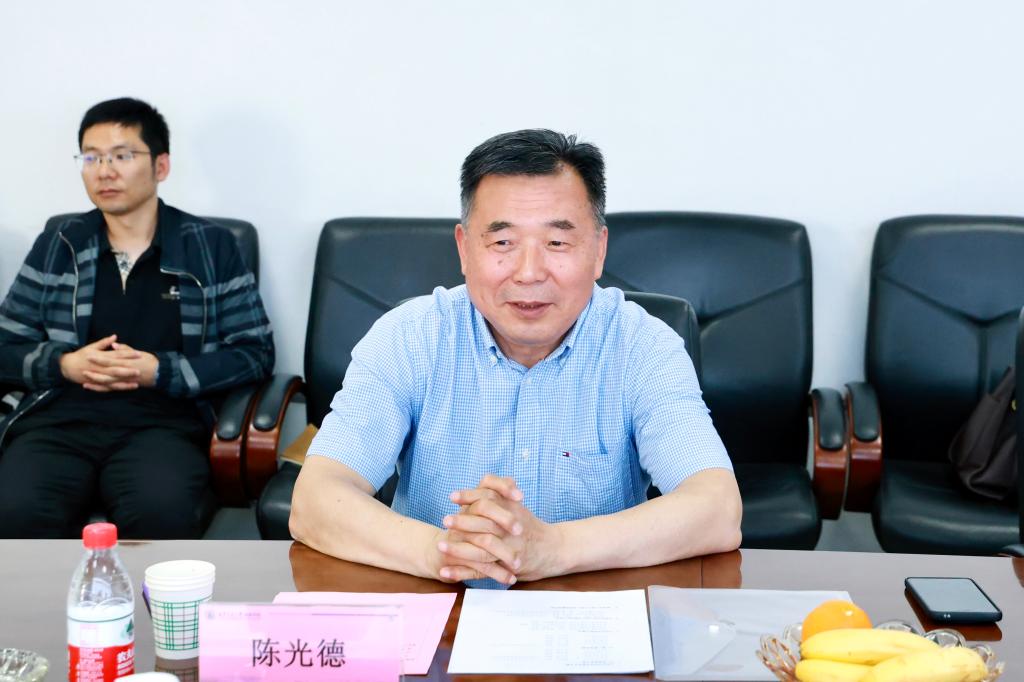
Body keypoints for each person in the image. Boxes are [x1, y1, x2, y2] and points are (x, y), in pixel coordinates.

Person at [290, 129, 741, 585]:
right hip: (439, 604)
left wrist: (554, 549)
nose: (529, 273)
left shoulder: (643, 347)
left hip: (591, 609)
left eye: (557, 243)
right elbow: (314, 500)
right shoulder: (409, 338)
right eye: (503, 242)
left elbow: (717, 508)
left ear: (599, 250)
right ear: (465, 249)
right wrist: (445, 552)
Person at [0, 98, 274, 539]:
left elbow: (254, 353)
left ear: (161, 165)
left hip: (162, 425)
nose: (104, 171)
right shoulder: (59, 243)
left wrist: (159, 371)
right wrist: (64, 364)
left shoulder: (210, 246)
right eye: (92, 158)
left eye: (122, 156)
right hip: (58, 421)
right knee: (16, 513)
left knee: (160, 516)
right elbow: (5, 347)